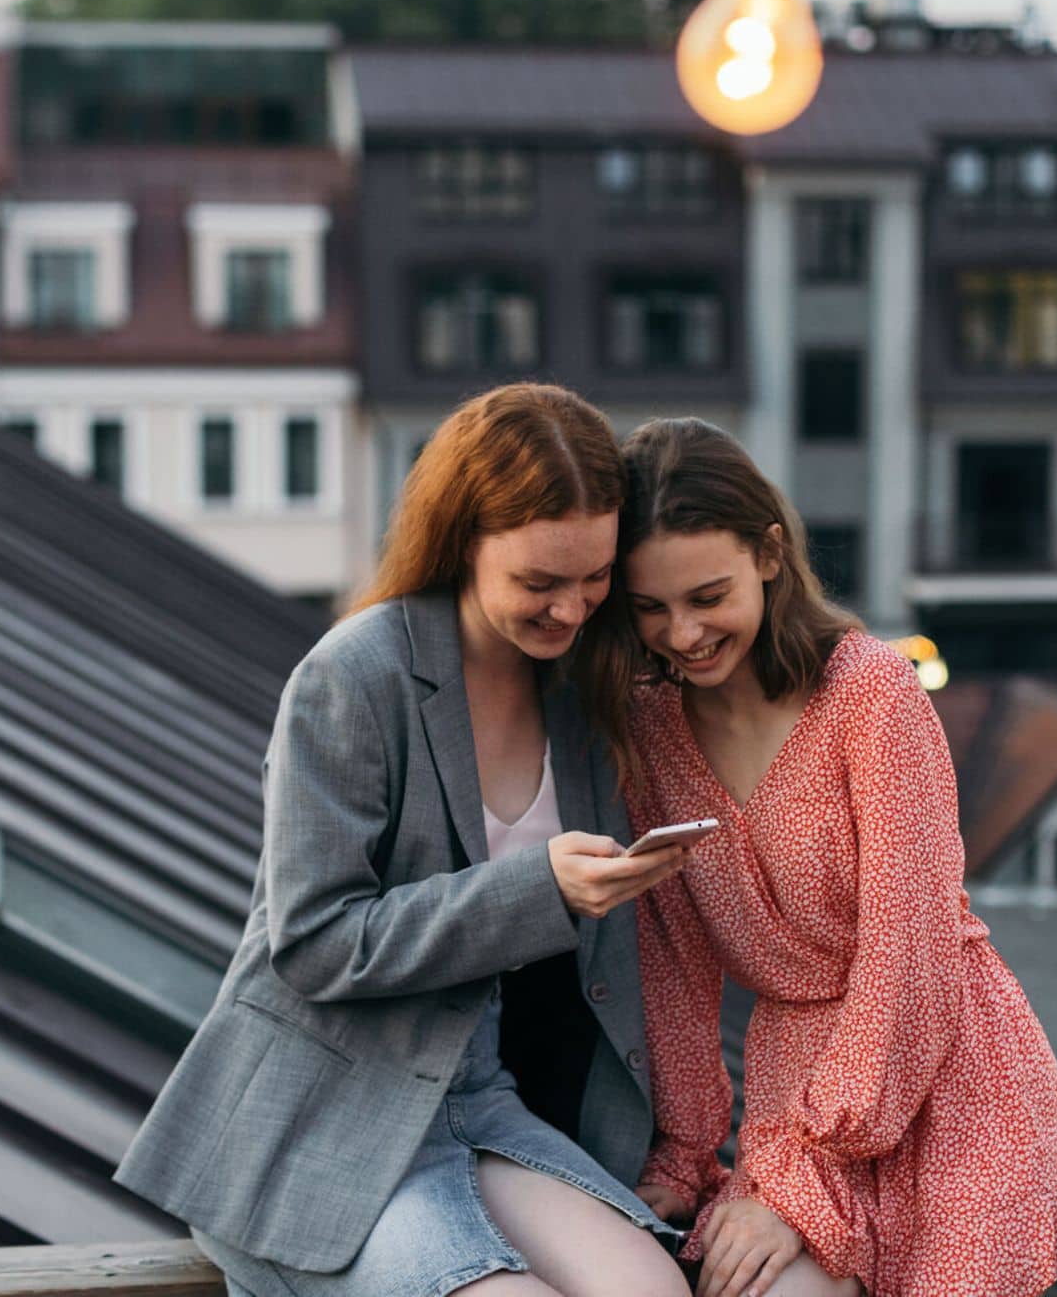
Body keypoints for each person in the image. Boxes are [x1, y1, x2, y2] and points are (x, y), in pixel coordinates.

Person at [115, 384, 692, 1297]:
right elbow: (309, 940)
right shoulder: (356, 676)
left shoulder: (582, 690)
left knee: (652, 1289)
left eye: (594, 578)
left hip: (479, 1101)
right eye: (539, 583)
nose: (573, 610)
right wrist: (536, 890)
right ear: (464, 540)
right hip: (327, 1120)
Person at [576, 418, 1057, 1297]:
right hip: (797, 1090)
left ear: (771, 556)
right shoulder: (649, 726)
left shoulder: (870, 691)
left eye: (708, 596)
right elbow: (671, 964)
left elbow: (911, 951)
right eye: (650, 607)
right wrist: (683, 1150)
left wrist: (798, 1175)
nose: (682, 633)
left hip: (950, 1075)